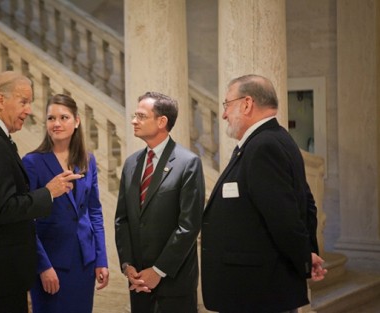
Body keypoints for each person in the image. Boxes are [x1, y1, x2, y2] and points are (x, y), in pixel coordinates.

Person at [201, 74, 327, 313]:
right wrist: (307, 253)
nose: (225, 114)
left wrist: (304, 257)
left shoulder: (263, 146)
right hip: (259, 288)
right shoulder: (276, 139)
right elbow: (305, 203)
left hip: (256, 292)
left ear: (247, 104)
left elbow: (284, 217)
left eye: (227, 104)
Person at [0, 71, 82, 313]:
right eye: (23, 101)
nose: (29, 110)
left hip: (0, 272)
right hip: (0, 274)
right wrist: (48, 192)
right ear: (1, 101)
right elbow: (2, 209)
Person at [114, 91, 205, 313]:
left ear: (162, 121)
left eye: (141, 116)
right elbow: (122, 218)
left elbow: (189, 226)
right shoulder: (131, 163)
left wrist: (158, 270)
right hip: (138, 281)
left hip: (174, 282)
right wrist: (128, 265)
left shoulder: (188, 163)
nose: (134, 121)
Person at [21, 94, 109, 313]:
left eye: (63, 117)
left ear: (77, 121)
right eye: (51, 118)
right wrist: (42, 266)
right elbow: (25, 220)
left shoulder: (87, 159)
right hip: (51, 262)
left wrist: (101, 259)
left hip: (84, 261)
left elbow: (94, 211)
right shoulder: (32, 162)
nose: (57, 124)